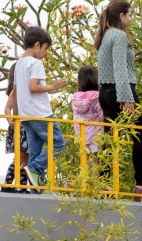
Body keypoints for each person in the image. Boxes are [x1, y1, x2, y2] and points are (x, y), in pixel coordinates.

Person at [95, 0, 142, 196]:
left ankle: (105, 184)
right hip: (121, 91)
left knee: (108, 138)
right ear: (121, 16)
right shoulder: (118, 36)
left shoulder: (103, 36)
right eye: (129, 15)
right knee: (141, 135)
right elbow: (119, 68)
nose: (131, 18)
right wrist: (127, 98)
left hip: (105, 92)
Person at [11, 26, 68, 187]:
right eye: (45, 48)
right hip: (40, 114)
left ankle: (35, 187)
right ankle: (35, 168)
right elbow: (33, 87)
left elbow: (16, 92)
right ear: (37, 45)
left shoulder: (19, 64)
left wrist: (16, 117)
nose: (45, 52)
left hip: (26, 116)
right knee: (58, 143)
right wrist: (54, 87)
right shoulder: (35, 63)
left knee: (34, 151)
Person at [70, 66, 102, 154]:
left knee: (87, 158)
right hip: (95, 133)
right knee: (95, 157)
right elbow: (102, 114)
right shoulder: (97, 97)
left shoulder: (75, 98)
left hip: (81, 133)